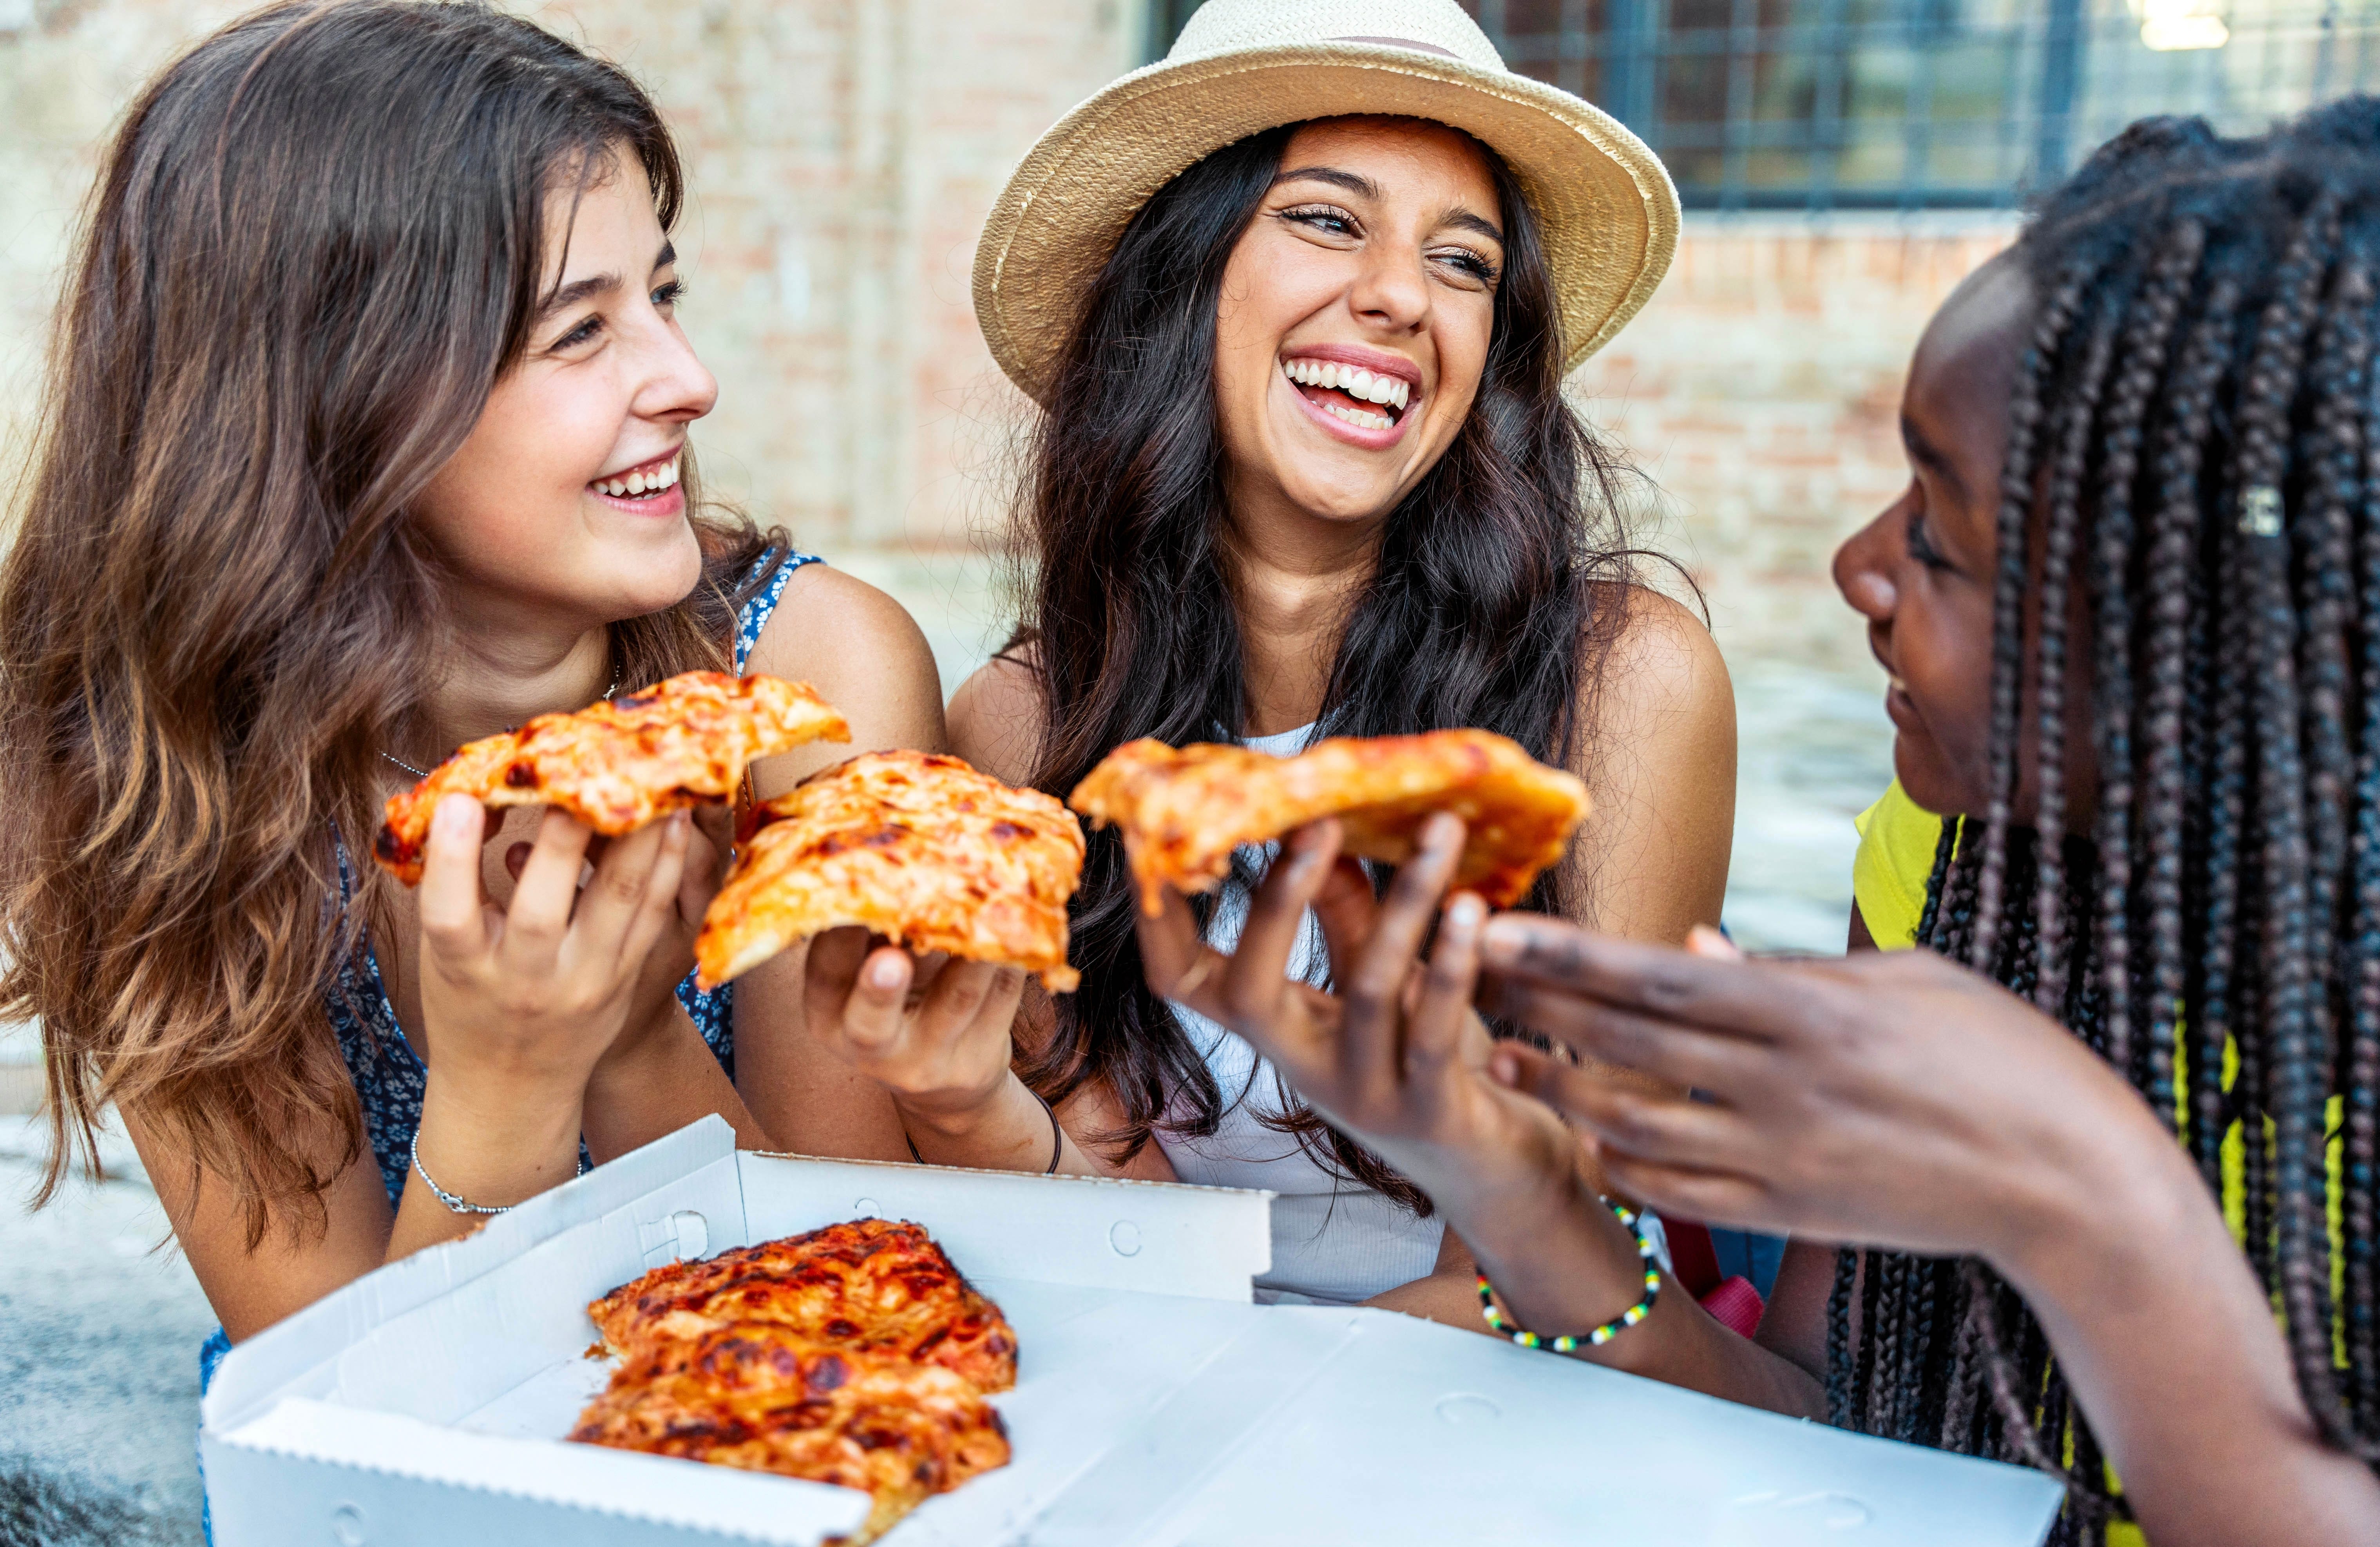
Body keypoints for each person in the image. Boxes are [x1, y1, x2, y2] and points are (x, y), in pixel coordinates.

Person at [1153, 102, 2380, 1545]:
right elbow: (1818, 1413)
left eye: (1936, 529)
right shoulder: (1948, 870)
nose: (1857, 564)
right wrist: (1511, 1183)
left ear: (2226, 623)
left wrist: (2089, 1209)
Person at [0, 0, 1055, 1372]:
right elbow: (338, 1409)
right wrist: (499, 1093)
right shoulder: (128, 775)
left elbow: (841, 1333)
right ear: (339, 397)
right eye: (579, 333)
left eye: (662, 297)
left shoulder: (808, 680)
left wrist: (620, 1039)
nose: (689, 378)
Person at [804, 0, 1736, 1321]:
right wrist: (965, 1103)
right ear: (1184, 275)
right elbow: (1126, 1230)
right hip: (1182, 1381)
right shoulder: (1021, 721)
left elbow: (1561, 1262)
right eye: (1327, 219)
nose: (1402, 296)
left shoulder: (1627, 681)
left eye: (1464, 263)